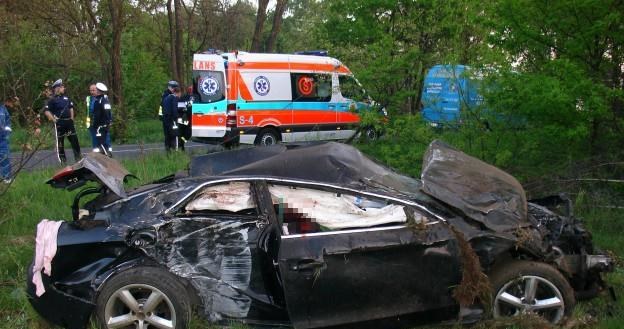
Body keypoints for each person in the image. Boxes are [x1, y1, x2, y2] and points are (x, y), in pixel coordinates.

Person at [44, 79, 82, 163]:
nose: (64, 88)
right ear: (57, 88)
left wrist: (72, 118)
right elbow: (46, 111)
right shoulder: (52, 99)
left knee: (74, 140)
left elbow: (71, 108)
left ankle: (78, 158)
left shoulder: (66, 98)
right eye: (62, 87)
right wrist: (54, 120)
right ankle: (63, 161)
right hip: (59, 123)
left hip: (69, 122)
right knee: (60, 143)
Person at [86, 83, 112, 153]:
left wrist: (109, 121)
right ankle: (98, 154)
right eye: (90, 90)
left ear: (98, 90)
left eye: (94, 90)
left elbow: (107, 112)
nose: (92, 92)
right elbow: (88, 112)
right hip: (93, 123)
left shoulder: (101, 100)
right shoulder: (89, 99)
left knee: (103, 141)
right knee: (96, 140)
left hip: (99, 124)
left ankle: (107, 154)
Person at [0, 96, 17, 183]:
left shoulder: (3, 109)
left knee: (4, 157)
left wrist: (7, 130)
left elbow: (7, 121)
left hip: (2, 139)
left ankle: (7, 179)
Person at [162, 85, 181, 151]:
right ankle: (176, 151)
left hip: (165, 120)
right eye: (180, 94)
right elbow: (174, 110)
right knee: (175, 135)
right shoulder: (174, 98)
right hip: (172, 120)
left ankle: (168, 151)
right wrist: (177, 118)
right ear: (178, 93)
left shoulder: (166, 98)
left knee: (167, 136)